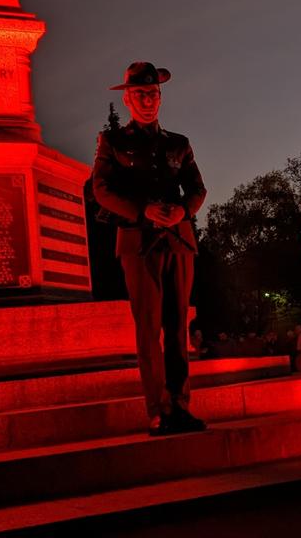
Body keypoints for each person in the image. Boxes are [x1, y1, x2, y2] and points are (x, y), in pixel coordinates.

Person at [92, 62, 207, 436]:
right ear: (127, 98)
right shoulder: (113, 143)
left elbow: (196, 188)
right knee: (148, 330)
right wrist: (141, 210)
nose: (148, 100)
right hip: (139, 244)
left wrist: (183, 210)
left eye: (153, 93)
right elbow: (102, 190)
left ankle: (181, 405)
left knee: (176, 329)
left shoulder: (179, 143)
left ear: (161, 97)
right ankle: (158, 410)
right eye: (140, 94)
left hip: (178, 240)